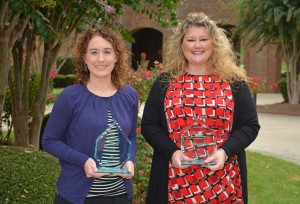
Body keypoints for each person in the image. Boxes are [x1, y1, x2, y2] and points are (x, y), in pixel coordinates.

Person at [141, 12, 260, 204]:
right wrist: (172, 152)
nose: (197, 45)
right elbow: (150, 125)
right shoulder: (165, 82)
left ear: (214, 43)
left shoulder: (234, 82)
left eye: (203, 39)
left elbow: (249, 126)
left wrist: (225, 152)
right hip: (176, 181)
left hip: (225, 181)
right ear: (182, 44)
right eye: (191, 39)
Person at [42, 27, 138, 204]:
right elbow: (49, 140)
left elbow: (131, 136)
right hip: (77, 197)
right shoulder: (70, 97)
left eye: (107, 52)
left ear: (116, 57)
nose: (101, 59)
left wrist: (130, 160)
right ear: (84, 59)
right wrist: (83, 161)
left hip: (120, 196)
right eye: (94, 52)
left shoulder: (129, 95)